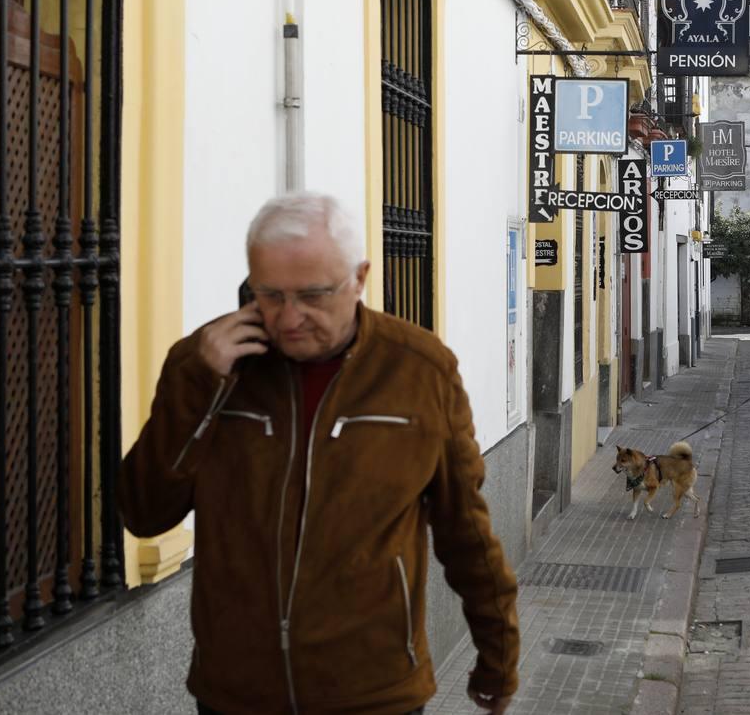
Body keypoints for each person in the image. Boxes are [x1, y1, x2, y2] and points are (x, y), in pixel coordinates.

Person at [119, 192, 518, 715]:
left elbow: (465, 532)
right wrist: (197, 385)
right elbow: (143, 513)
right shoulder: (206, 366)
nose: (289, 318)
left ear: (359, 278)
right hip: (236, 695)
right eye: (269, 294)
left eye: (313, 295)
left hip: (375, 694)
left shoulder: (420, 372)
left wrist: (499, 655)